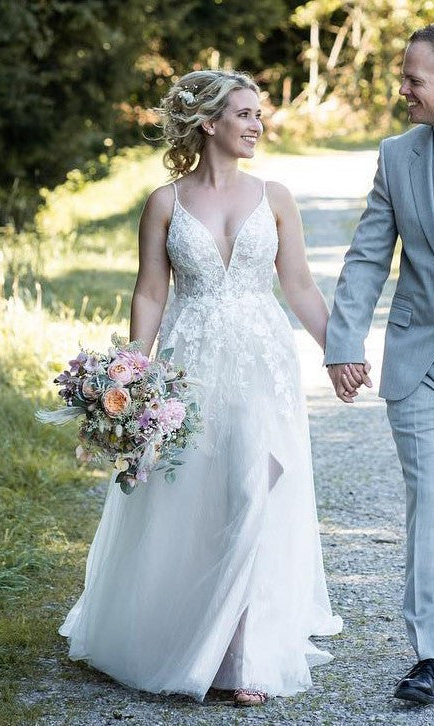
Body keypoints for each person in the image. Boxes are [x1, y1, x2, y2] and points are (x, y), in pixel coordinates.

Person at [60, 69, 341, 707]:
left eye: (259, 114)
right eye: (244, 114)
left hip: (261, 367)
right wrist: (131, 378)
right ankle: (187, 636)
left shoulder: (275, 196)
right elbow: (149, 293)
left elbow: (299, 285)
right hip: (188, 367)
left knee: (251, 489)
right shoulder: (165, 203)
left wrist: (339, 352)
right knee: (194, 501)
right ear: (209, 123)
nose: (257, 125)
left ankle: (242, 656)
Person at [325, 23, 434, 707]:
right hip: (418, 358)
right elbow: (368, 255)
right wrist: (344, 341)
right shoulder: (397, 157)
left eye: (413, 79)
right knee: (430, 499)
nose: (402, 91)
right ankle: (431, 654)